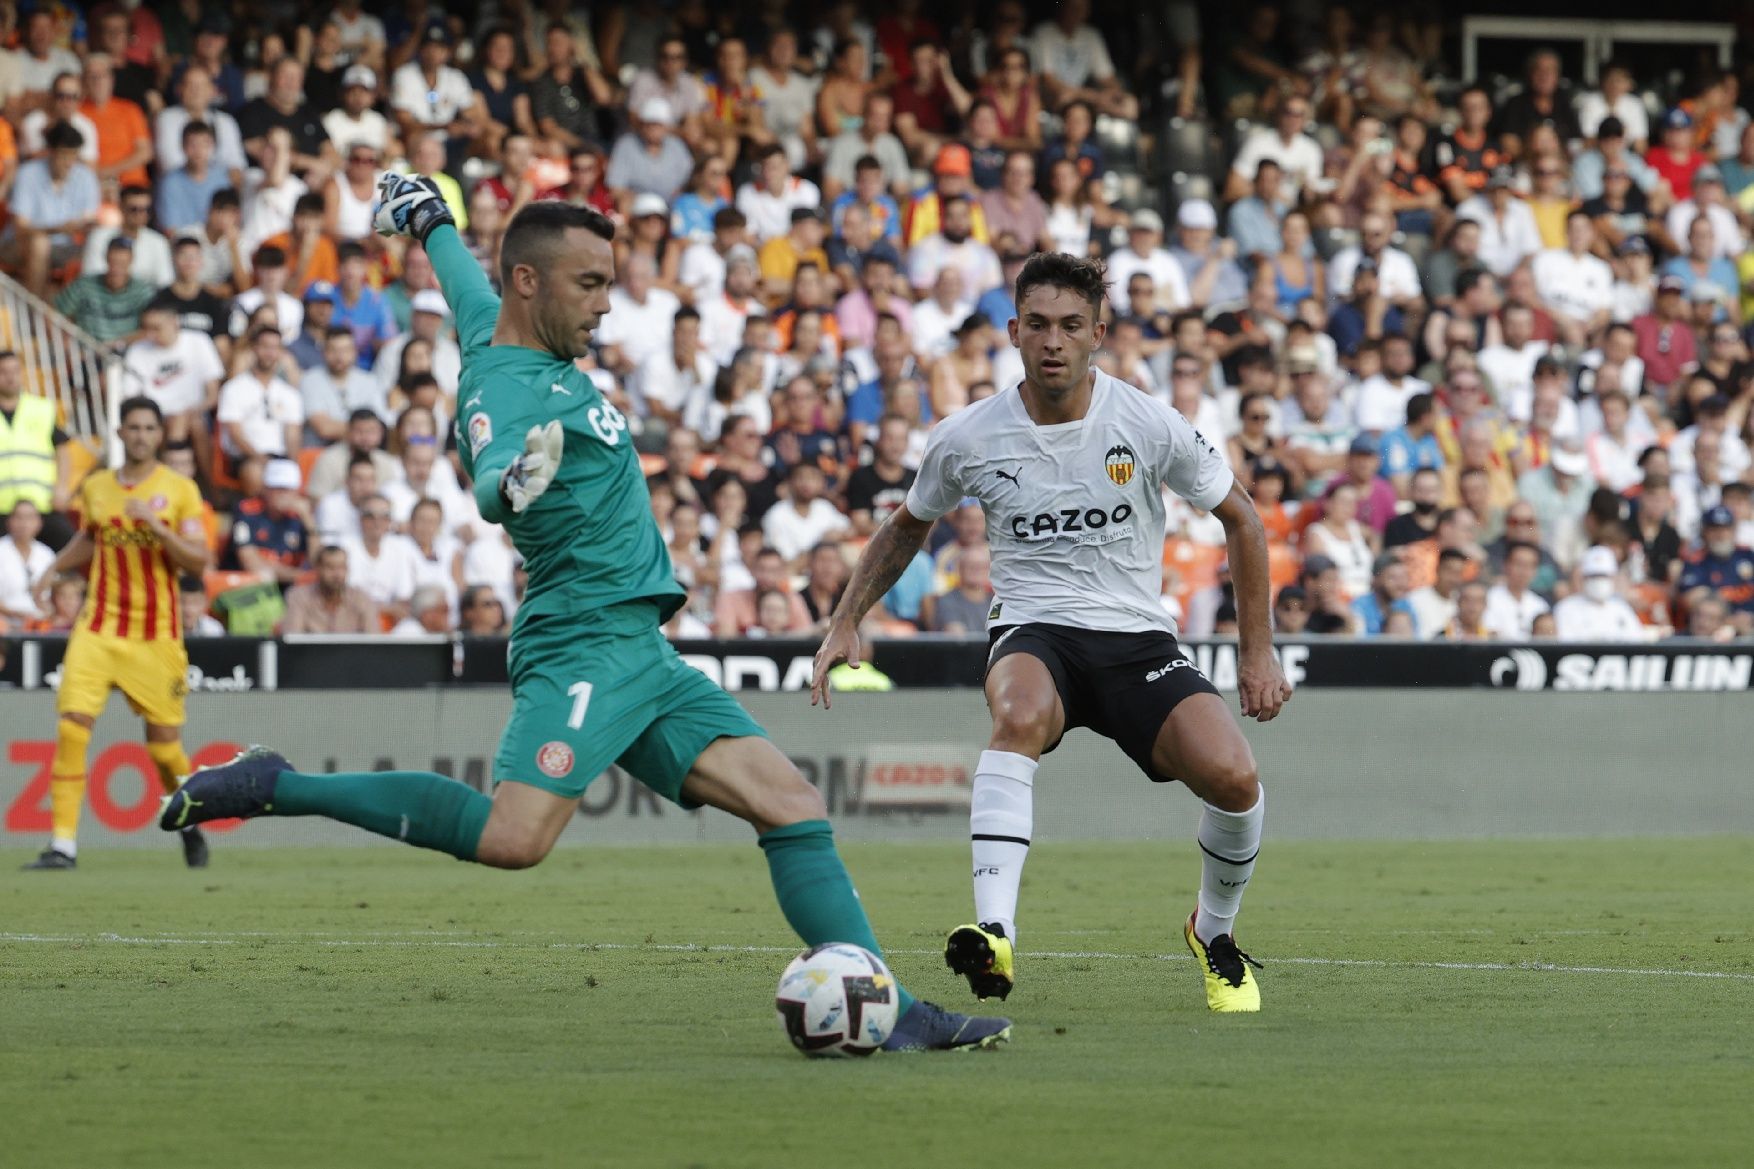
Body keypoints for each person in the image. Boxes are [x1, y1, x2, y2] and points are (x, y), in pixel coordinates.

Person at [165, 178, 1008, 1053]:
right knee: (513, 838)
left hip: (640, 647)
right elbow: (493, 467)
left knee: (790, 803)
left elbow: (464, 285)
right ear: (532, 285)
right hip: (582, 643)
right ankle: (276, 783)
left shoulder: (502, 327)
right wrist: (507, 484)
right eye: (590, 284)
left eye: (608, 282)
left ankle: (891, 1005)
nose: (605, 305)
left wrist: (431, 222)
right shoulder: (507, 391)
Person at [812, 252, 1291, 1013]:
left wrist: (1256, 650)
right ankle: (995, 930)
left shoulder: (1145, 421)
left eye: (1071, 325)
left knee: (1235, 779)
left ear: (1099, 332)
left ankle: (1215, 931)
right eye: (1037, 324)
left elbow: (1242, 517)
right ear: (1013, 331)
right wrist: (846, 620)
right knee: (1020, 715)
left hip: (1137, 640)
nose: (1053, 341)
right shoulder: (968, 435)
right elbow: (906, 526)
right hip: (1035, 630)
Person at [23, 398, 210, 871]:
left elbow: (199, 560)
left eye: (150, 427)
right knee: (71, 726)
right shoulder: (99, 487)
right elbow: (91, 537)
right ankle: (62, 846)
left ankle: (188, 823)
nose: (142, 435)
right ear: (121, 434)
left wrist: (155, 526)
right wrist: (51, 570)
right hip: (99, 627)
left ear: (159, 435)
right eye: (134, 427)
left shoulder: (179, 489)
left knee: (165, 749)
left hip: (156, 635)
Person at [283, 544, 381, 634]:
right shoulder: (299, 598)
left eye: (342, 567)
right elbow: (292, 640)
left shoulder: (361, 599)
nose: (337, 575)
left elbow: (374, 641)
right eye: (330, 567)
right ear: (318, 568)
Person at [1551, 545, 1643, 641]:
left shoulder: (1622, 608)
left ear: (1613, 578)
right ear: (1583, 578)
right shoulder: (1566, 608)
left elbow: (1638, 640)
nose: (1599, 581)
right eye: (1594, 576)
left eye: (1604, 576)